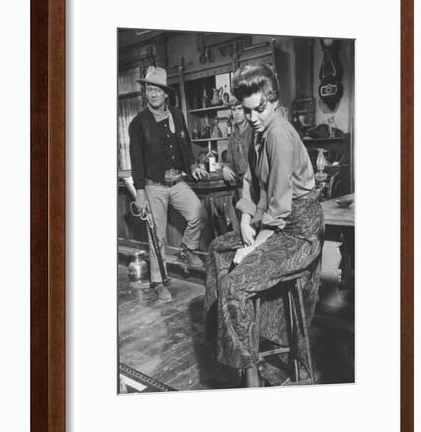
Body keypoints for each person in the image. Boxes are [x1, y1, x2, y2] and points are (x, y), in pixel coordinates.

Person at [205, 63, 324, 387]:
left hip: (299, 230)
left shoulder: (279, 135)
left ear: (274, 102)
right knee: (218, 249)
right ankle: (230, 344)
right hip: (275, 222)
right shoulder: (256, 134)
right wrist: (244, 218)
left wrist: (253, 248)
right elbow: (250, 181)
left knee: (235, 282)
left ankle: (250, 374)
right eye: (248, 110)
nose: (254, 117)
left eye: (260, 109)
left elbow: (280, 208)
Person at [129, 66, 207, 303]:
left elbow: (185, 143)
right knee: (157, 236)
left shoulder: (177, 115)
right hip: (153, 186)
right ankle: (159, 281)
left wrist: (192, 165)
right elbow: (136, 161)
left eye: (156, 90)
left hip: (177, 181)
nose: (152, 94)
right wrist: (140, 193)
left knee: (198, 213)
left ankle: (187, 250)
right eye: (149, 90)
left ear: (165, 93)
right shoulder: (138, 123)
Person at [221, 99, 253, 199]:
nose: (237, 113)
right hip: (240, 187)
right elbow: (229, 161)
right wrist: (225, 168)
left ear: (246, 110)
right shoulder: (232, 137)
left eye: (240, 109)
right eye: (233, 109)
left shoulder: (253, 131)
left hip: (255, 186)